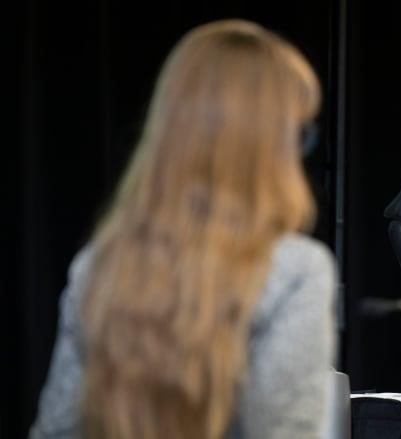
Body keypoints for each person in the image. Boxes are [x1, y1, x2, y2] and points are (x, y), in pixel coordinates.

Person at [29, 19, 337, 439]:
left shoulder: (99, 267)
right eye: (298, 134)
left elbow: (56, 431)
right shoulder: (296, 271)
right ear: (268, 145)